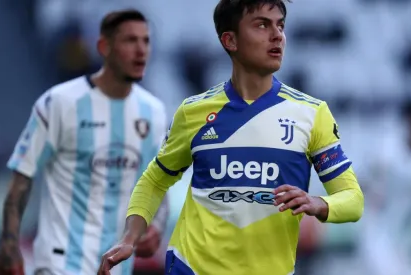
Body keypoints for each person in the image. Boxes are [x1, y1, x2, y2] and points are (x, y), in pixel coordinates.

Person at [99, 1, 364, 274]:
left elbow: (353, 200)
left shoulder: (312, 114)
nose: (277, 35)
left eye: (280, 25)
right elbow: (155, 179)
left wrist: (319, 204)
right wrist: (130, 238)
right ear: (230, 40)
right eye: (262, 25)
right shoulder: (194, 112)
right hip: (191, 267)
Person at [0, 9, 169, 275]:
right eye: (130, 41)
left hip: (118, 267)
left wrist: (156, 225)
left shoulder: (153, 112)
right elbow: (22, 177)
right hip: (59, 264)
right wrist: (9, 242)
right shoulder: (60, 102)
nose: (140, 50)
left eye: (146, 41)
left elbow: (157, 183)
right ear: (104, 47)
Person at [357, 102, 411, 275]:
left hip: (405, 235)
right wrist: (370, 193)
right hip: (376, 226)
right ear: (409, 124)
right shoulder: (386, 151)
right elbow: (360, 179)